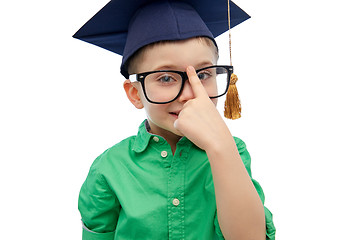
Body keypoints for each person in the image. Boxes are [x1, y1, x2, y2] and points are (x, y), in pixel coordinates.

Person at [74, 0, 276, 239]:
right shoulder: (109, 169)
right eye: (167, 78)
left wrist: (220, 146)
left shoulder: (232, 152)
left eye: (202, 75)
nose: (191, 93)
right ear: (135, 94)